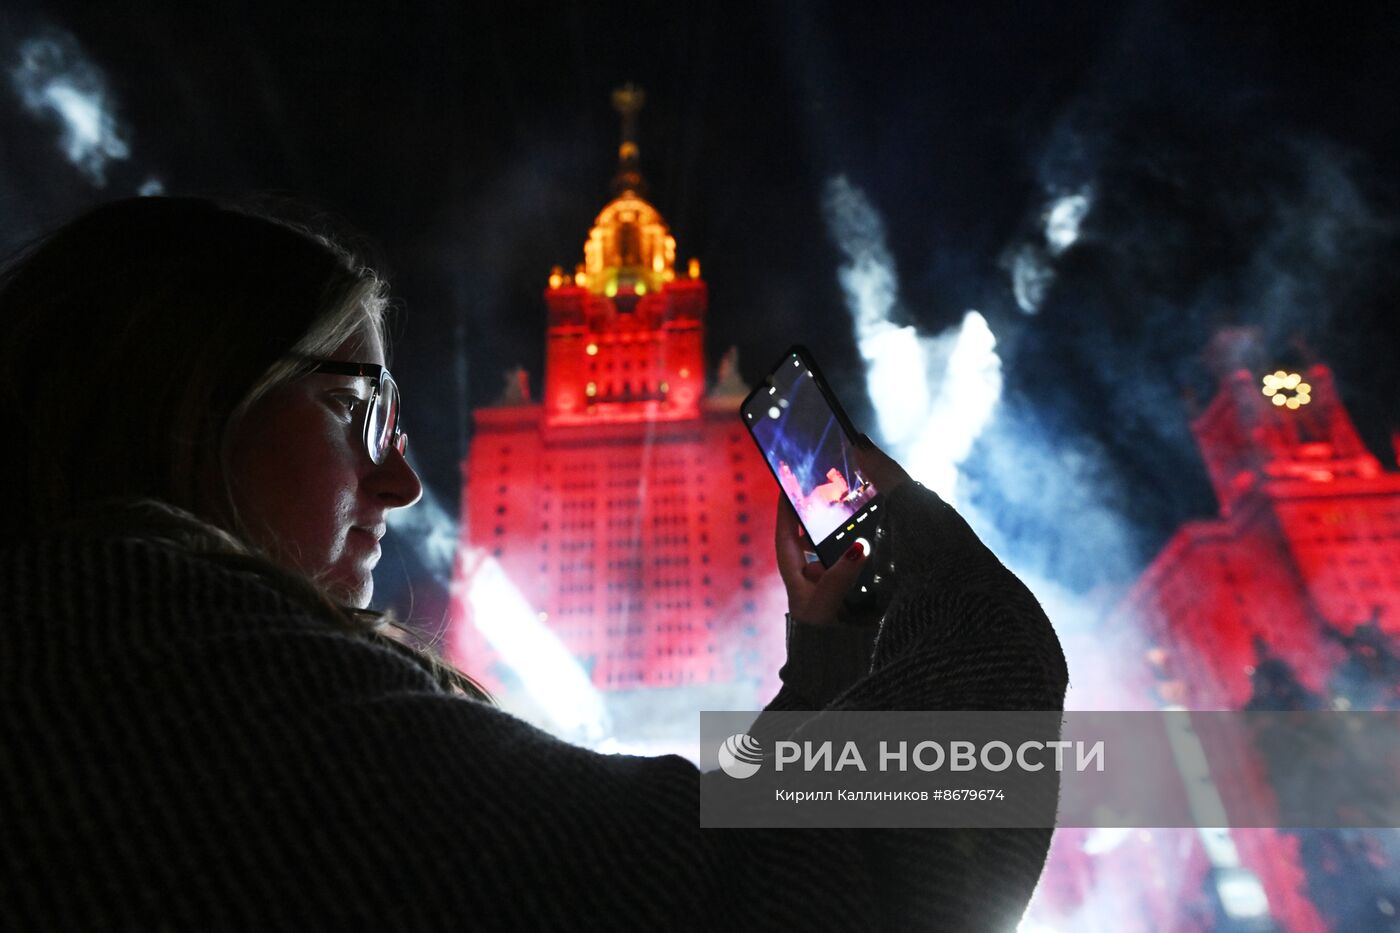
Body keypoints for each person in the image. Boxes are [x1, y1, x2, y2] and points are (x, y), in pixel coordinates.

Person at [0, 197, 1069, 930]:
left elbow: (696, 869)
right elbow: (815, 904)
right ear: (181, 389)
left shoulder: (98, 643)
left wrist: (823, 665)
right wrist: (951, 589)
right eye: (357, 410)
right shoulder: (180, 670)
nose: (401, 485)